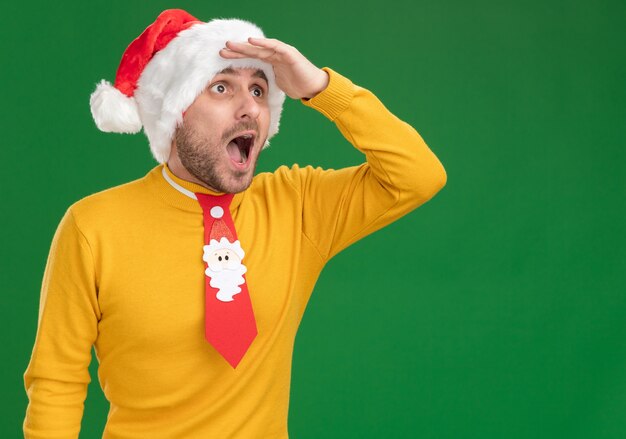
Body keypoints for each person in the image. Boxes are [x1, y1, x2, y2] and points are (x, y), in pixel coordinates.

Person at [23, 8, 447, 439]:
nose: (250, 108)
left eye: (260, 90)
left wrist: (321, 88)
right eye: (222, 87)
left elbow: (418, 175)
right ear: (176, 112)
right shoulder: (92, 226)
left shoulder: (296, 206)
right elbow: (56, 383)